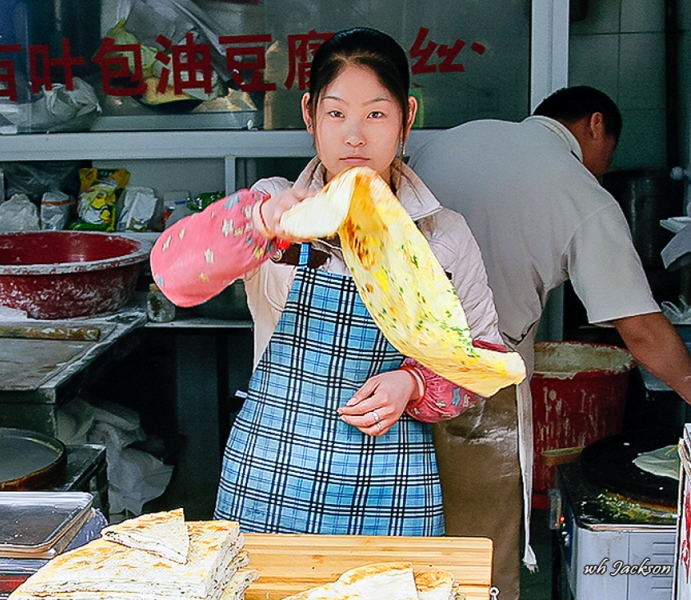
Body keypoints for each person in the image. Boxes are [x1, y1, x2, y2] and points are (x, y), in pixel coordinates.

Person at [151, 27, 512, 538]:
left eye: (376, 114)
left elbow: (483, 359)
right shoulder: (274, 204)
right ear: (309, 115)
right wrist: (258, 222)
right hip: (269, 477)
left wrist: (413, 382)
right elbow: (174, 275)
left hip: (396, 485)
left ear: (407, 118)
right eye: (337, 113)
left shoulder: (442, 233)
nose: (355, 135)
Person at [408, 85, 691, 600]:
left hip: (386, 363)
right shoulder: (581, 193)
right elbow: (642, 331)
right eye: (610, 149)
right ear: (596, 125)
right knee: (481, 550)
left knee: (394, 534)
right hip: (478, 375)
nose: (605, 164)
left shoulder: (453, 140)